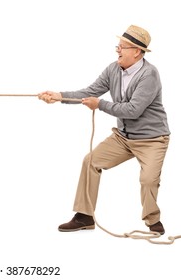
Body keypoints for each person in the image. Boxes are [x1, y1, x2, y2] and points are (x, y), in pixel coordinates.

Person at [38, 25, 170, 235]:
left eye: (122, 47)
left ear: (136, 51)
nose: (117, 50)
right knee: (90, 161)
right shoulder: (113, 69)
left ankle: (153, 220)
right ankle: (84, 216)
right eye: (118, 46)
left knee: (148, 180)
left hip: (152, 140)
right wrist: (59, 96)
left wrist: (100, 105)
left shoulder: (149, 74)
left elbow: (133, 110)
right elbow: (89, 92)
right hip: (123, 138)